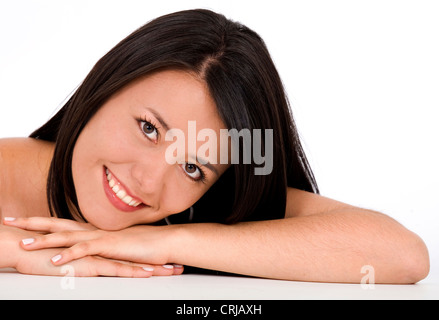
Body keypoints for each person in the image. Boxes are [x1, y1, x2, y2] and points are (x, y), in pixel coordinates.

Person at [0, 9, 429, 282]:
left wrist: (166, 243)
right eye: (149, 128)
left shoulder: (195, 211)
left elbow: (404, 255)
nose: (148, 182)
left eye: (193, 168)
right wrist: (17, 253)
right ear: (102, 89)